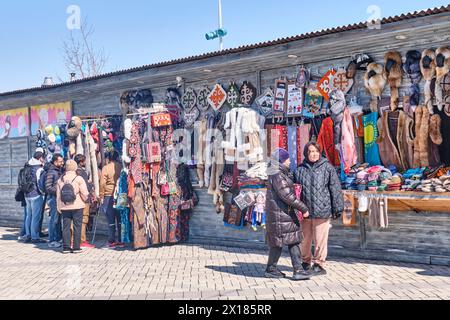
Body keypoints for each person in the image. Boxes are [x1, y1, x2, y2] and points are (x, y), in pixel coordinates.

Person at [295, 142, 344, 275]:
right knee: (304, 240)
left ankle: (319, 264)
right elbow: (295, 191)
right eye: (310, 151)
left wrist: (337, 208)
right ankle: (305, 262)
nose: (313, 154)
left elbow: (335, 188)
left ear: (319, 152)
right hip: (304, 212)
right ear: (306, 153)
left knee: (320, 240)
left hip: (322, 210)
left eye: (316, 151)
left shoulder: (327, 168)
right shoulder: (299, 169)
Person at [265, 148, 312, 281]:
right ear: (281, 160)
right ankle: (298, 270)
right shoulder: (277, 174)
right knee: (293, 241)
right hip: (282, 215)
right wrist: (303, 208)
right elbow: (286, 195)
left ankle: (271, 269)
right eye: (287, 158)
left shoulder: (277, 173)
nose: (290, 160)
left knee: (278, 242)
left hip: (280, 215)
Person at [56, 160, 89, 254]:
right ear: (75, 167)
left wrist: (59, 206)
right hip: (77, 206)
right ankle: (76, 247)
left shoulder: (60, 179)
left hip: (65, 206)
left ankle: (66, 247)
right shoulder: (78, 178)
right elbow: (85, 193)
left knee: (66, 227)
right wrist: (84, 200)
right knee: (77, 226)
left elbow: (58, 195)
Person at [99, 151, 123, 249]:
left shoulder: (106, 168)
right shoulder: (121, 166)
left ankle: (112, 239)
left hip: (109, 195)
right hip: (121, 195)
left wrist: (101, 194)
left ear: (109, 158)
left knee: (111, 219)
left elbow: (102, 183)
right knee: (120, 219)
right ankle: (121, 240)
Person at [23, 152, 46, 244]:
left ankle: (28, 235)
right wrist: (42, 193)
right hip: (36, 195)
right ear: (40, 158)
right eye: (43, 158)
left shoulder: (27, 166)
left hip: (27, 194)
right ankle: (35, 237)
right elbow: (39, 183)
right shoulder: (39, 169)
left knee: (29, 216)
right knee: (36, 217)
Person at [74, 154, 95, 248]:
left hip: (73, 200)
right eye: (84, 161)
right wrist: (91, 185)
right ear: (81, 162)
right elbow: (85, 187)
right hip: (83, 199)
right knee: (83, 219)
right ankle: (82, 240)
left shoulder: (71, 172)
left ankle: (72, 240)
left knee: (73, 220)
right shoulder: (82, 173)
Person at [45, 153, 64, 248]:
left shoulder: (59, 170)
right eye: (60, 161)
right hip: (53, 199)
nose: (62, 163)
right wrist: (58, 191)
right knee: (54, 220)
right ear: (55, 161)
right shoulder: (51, 172)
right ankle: (52, 240)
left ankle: (58, 238)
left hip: (58, 199)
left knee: (58, 220)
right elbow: (48, 187)